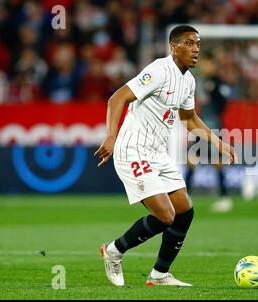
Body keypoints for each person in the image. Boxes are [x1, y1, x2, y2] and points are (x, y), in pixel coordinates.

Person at [94, 25, 237, 287]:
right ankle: (114, 250)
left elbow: (189, 119)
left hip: (157, 154)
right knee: (166, 215)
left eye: (198, 44)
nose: (195, 50)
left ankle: (160, 274)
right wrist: (111, 136)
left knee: (185, 212)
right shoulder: (159, 70)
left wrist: (218, 142)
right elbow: (117, 98)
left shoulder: (189, 81)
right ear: (174, 46)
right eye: (189, 43)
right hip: (133, 150)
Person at [185, 55, 233, 212]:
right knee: (191, 160)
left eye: (206, 64)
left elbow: (223, 106)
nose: (204, 67)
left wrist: (214, 93)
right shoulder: (198, 81)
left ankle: (224, 198)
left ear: (212, 65)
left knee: (217, 162)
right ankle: (186, 197)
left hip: (214, 126)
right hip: (200, 126)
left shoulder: (218, 82)